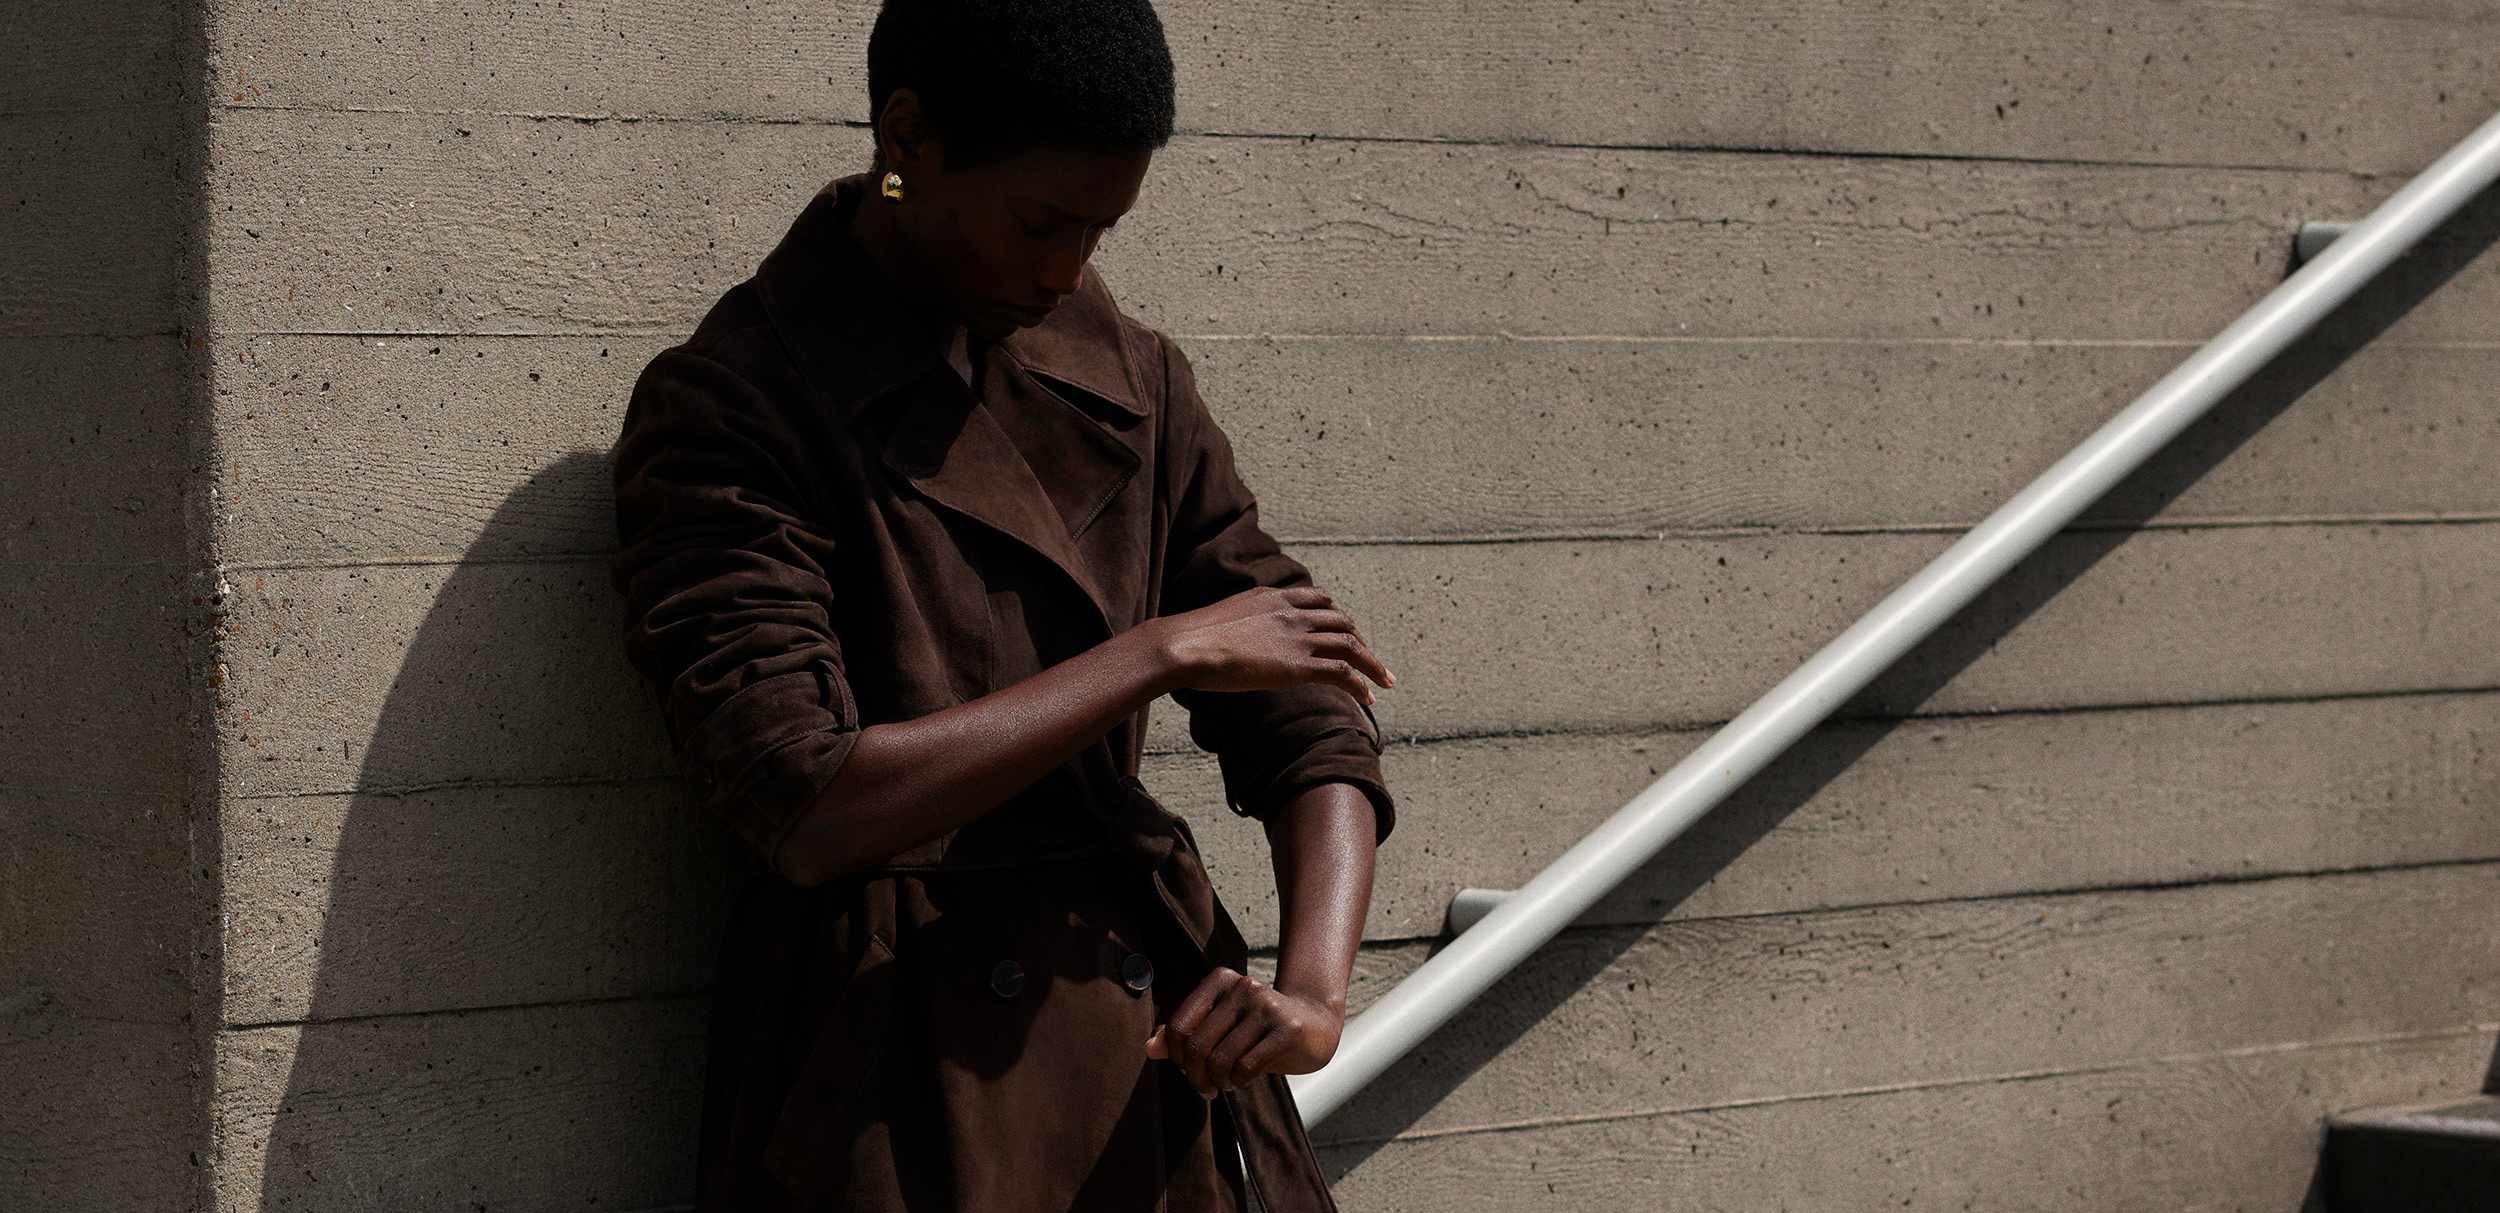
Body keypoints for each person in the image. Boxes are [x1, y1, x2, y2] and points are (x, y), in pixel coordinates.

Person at [606, 2, 1399, 1209]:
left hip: (1161, 1062)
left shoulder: (1130, 376)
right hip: (894, 1085)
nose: (1064, 271)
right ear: (906, 139)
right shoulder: (733, 404)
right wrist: (1151, 654)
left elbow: (1302, 698)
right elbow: (803, 799)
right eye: (1039, 222)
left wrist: (1314, 993)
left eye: (1099, 229)